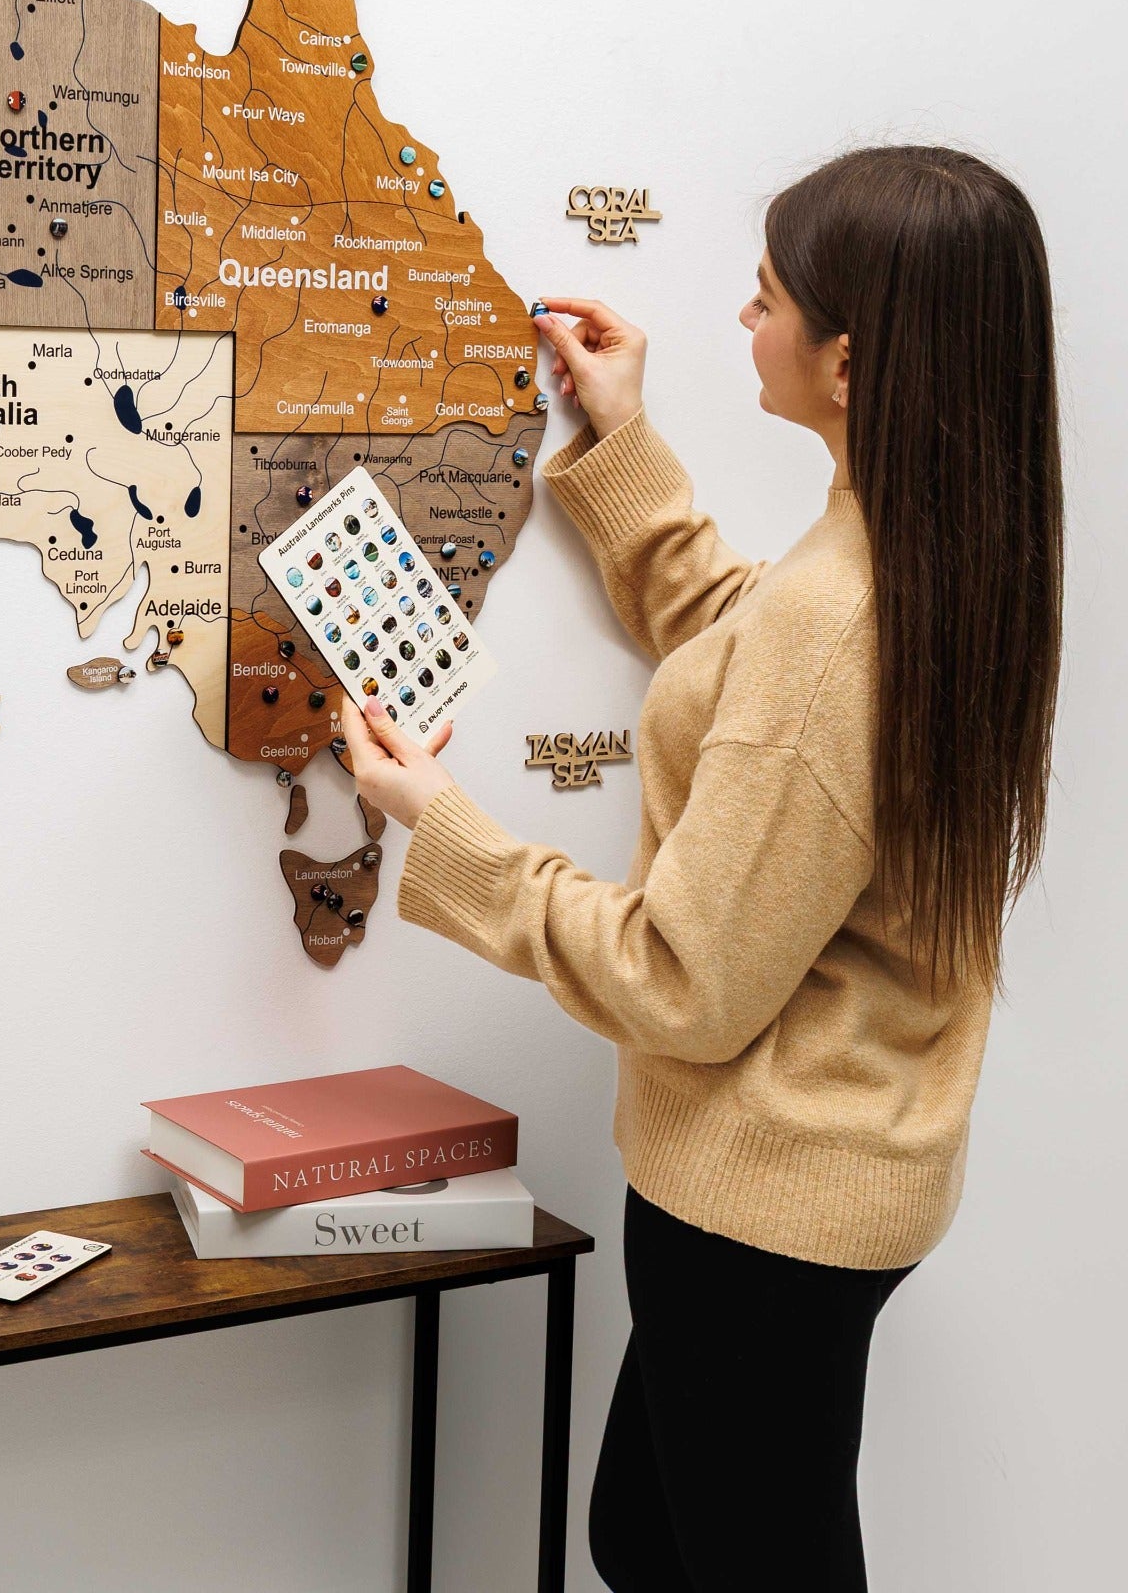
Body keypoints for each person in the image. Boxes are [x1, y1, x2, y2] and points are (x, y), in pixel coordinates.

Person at [340, 145, 1062, 1592]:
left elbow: (683, 981)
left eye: (768, 298)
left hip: (765, 1205)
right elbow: (756, 653)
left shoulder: (841, 622)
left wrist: (446, 825)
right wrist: (621, 449)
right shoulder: (938, 554)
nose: (743, 317)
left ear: (849, 361)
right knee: (652, 1539)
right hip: (826, 1178)